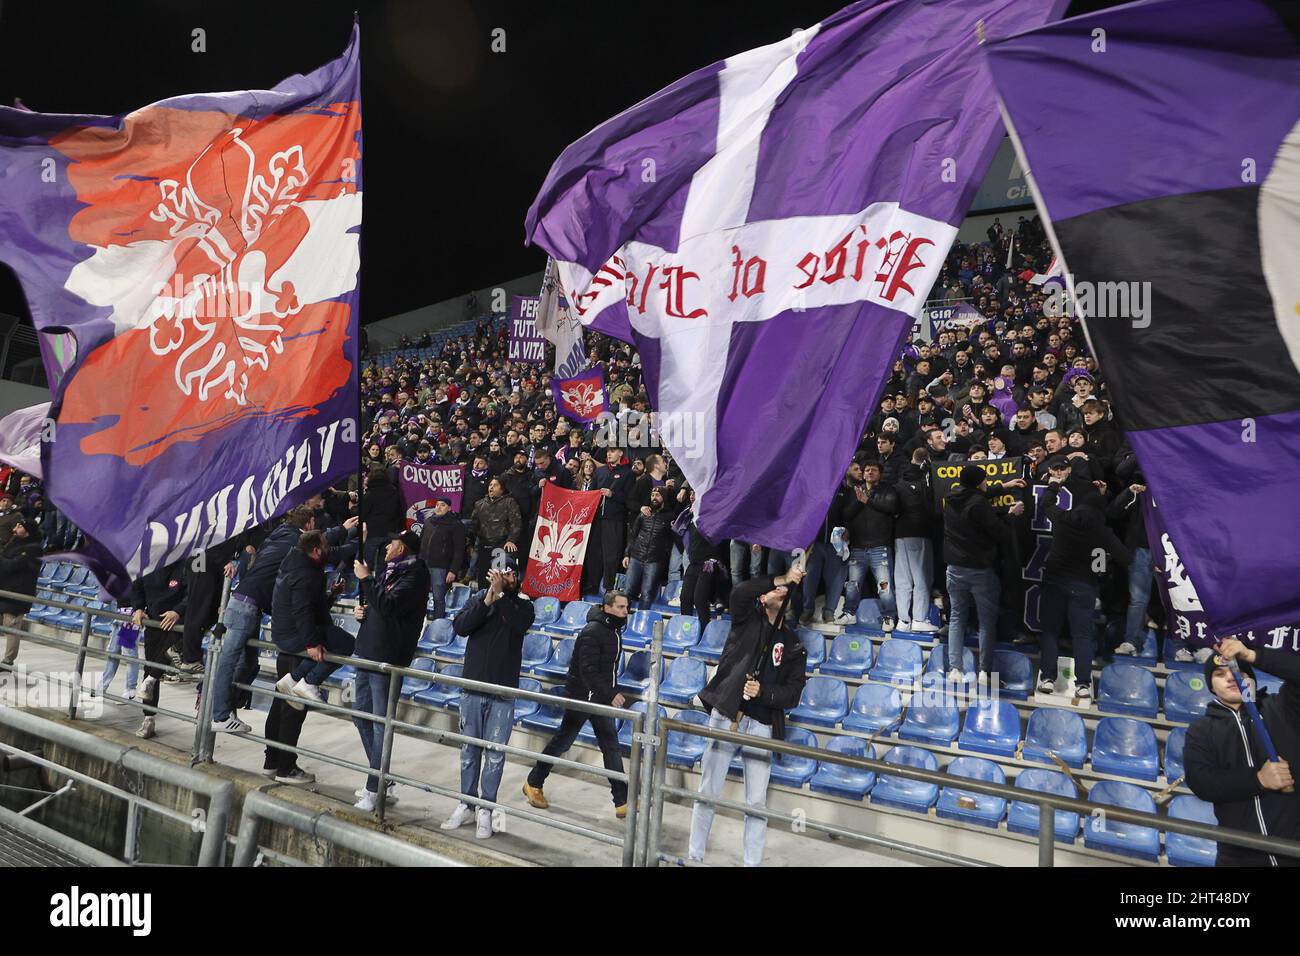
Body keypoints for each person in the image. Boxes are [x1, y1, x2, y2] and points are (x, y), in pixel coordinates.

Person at [689, 565, 807, 867]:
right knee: (708, 790)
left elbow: (793, 694)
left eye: (784, 591)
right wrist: (781, 579)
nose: (779, 592)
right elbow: (740, 592)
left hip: (763, 725)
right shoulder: (745, 620)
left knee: (756, 801)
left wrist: (763, 692)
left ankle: (751, 863)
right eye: (772, 590)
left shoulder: (793, 644)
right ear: (763, 597)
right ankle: (694, 856)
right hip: (727, 714)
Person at [210, 508, 357, 736]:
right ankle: (219, 714)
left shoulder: (278, 534)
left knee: (248, 665)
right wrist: (348, 534)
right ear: (308, 524)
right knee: (229, 662)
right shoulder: (294, 542)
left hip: (245, 602)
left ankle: (228, 707)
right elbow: (324, 548)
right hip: (247, 605)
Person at [1185, 638, 1300, 866]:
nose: (1230, 677)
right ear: (1211, 686)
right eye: (1219, 674)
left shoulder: (1284, 708)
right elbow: (1201, 782)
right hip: (1237, 855)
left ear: (1252, 678)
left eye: (1238, 670)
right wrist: (1258, 779)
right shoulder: (1200, 730)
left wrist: (1252, 655)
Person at [444, 554, 535, 838]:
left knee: (495, 755)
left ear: (515, 576)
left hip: (502, 692)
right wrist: (487, 601)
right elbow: (460, 627)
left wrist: (501, 597)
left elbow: (520, 624)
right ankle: (466, 804)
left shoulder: (523, 603)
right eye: (497, 573)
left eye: (506, 574)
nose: (501, 579)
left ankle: (486, 809)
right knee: (469, 752)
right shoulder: (479, 599)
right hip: (472, 688)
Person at [523, 589, 630, 818]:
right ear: (607, 607)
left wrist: (608, 693)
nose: (626, 611)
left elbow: (604, 670)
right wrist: (611, 693)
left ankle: (622, 801)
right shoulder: (593, 632)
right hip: (582, 697)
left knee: (611, 746)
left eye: (627, 607)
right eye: (621, 607)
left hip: (599, 697)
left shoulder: (612, 630)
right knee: (563, 741)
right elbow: (588, 671)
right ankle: (533, 782)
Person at [1033, 463, 1130, 699]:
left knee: (1050, 632)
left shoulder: (1065, 518)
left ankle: (1047, 678)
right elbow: (1125, 558)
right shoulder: (1103, 531)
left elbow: (1046, 505)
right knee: (1082, 636)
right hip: (1084, 586)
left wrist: (1054, 485)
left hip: (1055, 582)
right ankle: (1083, 684)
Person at [264, 531, 355, 784]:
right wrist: (312, 644)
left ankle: (271, 762)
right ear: (315, 550)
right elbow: (302, 610)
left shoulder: (297, 564)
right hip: (299, 643)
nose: (329, 549)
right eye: (326, 546)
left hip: (288, 641)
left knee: (279, 705)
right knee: (293, 709)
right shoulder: (305, 573)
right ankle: (286, 769)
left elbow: (309, 605)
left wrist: (331, 595)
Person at [350, 530, 430, 812]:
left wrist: (366, 579)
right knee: (360, 717)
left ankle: (375, 786)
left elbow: (391, 605)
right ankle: (382, 776)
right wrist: (364, 612)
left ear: (403, 548)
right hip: (367, 650)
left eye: (392, 543)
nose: (386, 548)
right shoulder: (390, 570)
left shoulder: (416, 575)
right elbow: (379, 606)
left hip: (387, 656)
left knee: (380, 722)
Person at [942, 464, 1023, 683]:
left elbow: (975, 503)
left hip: (954, 568)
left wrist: (1003, 486)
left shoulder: (949, 498)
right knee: (986, 622)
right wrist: (1012, 515)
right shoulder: (979, 503)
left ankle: (955, 669)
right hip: (979, 570)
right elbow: (999, 532)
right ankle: (984, 672)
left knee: (957, 618)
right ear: (980, 482)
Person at [128, 561, 188, 740]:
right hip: (153, 621)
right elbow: (136, 586)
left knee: (162, 660)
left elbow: (194, 591)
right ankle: (148, 718)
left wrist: (178, 611)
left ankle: (151, 679)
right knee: (149, 667)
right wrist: (138, 608)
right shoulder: (149, 561)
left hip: (176, 624)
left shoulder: (188, 562)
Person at [842, 461, 900, 629]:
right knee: (852, 584)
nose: (869, 472)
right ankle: (849, 613)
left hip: (879, 546)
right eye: (867, 470)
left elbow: (892, 508)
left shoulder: (888, 490)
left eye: (874, 470)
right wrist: (859, 501)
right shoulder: (855, 491)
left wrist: (868, 501)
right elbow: (846, 514)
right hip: (858, 547)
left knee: (884, 586)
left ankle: (889, 616)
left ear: (880, 474)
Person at [893, 448, 937, 633]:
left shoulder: (899, 481)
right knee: (922, 578)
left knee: (902, 579)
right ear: (926, 460)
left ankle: (903, 620)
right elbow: (930, 507)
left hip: (899, 534)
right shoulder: (926, 478)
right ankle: (919, 618)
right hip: (919, 533)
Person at [0, 517, 42, 667]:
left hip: (18, 593)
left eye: (19, 526)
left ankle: (7, 662)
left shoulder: (34, 549)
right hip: (5, 590)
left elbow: (13, 565)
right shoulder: (14, 543)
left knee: (11, 626)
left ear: (27, 531)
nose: (15, 529)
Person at [622, 487, 673, 609]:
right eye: (652, 495)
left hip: (654, 560)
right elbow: (633, 535)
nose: (654, 497)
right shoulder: (643, 514)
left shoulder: (670, 516)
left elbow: (672, 540)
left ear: (664, 498)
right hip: (636, 557)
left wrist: (664, 555)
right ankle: (620, 621)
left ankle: (641, 622)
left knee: (647, 593)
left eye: (657, 495)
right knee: (627, 591)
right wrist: (626, 554)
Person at [418, 497, 466, 619]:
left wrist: (453, 570)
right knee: (420, 595)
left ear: (449, 508)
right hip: (423, 564)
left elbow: (459, 550)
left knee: (438, 598)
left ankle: (437, 624)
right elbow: (421, 542)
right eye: (437, 505)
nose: (438, 507)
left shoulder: (456, 525)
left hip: (440, 567)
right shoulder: (429, 521)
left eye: (442, 505)